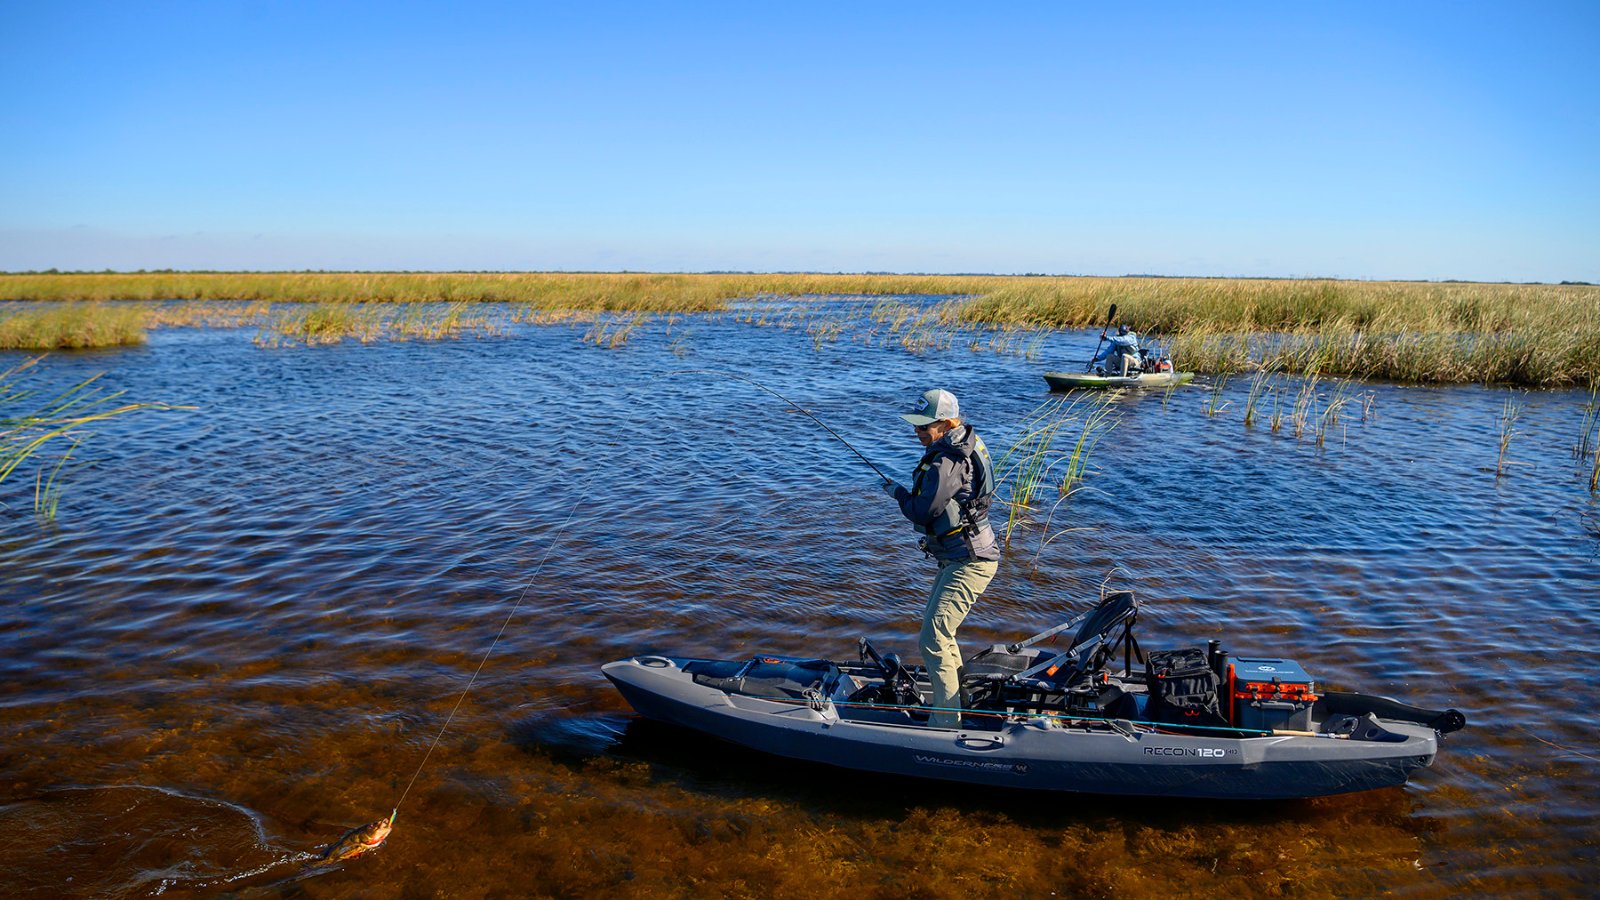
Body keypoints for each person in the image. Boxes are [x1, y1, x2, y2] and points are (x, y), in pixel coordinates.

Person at [880, 389, 1000, 729]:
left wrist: (897, 492)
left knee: (933, 638)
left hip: (970, 560)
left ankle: (946, 723)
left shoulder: (947, 461)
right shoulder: (962, 444)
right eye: (916, 427)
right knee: (940, 634)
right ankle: (954, 704)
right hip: (962, 556)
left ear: (946, 424)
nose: (917, 433)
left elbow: (921, 509)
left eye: (924, 428)